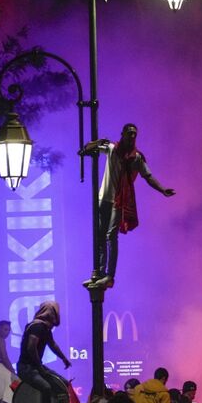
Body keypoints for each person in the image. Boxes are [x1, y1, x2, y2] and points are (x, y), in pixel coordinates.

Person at [80, 123, 176, 290]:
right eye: (129, 133)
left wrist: (162, 189)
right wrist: (97, 142)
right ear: (122, 134)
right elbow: (85, 149)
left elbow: (148, 176)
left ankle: (110, 276)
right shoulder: (112, 149)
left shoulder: (136, 157)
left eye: (134, 134)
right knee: (100, 236)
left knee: (111, 236)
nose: (132, 137)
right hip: (104, 198)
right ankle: (100, 274)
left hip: (119, 201)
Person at [17, 301, 71, 403]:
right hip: (26, 368)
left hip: (36, 367)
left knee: (63, 384)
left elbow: (52, 344)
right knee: (46, 388)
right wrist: (40, 368)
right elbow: (31, 347)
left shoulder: (45, 329)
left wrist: (64, 358)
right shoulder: (37, 327)